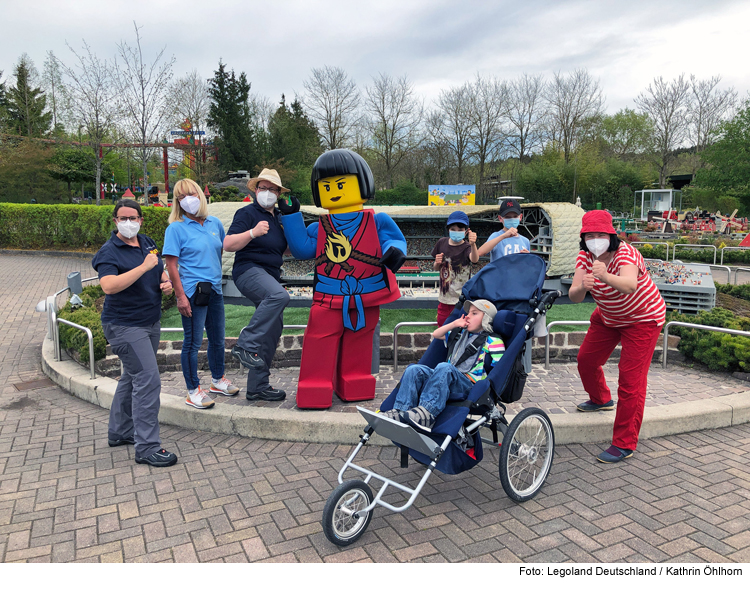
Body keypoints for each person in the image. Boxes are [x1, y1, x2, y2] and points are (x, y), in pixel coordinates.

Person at [282, 149, 407, 409]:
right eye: (326, 186)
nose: (334, 190)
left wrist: (394, 251)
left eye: (341, 184)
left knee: (359, 340)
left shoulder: (377, 220)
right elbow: (303, 248)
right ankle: (314, 386)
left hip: (366, 294)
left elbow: (394, 240)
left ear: (361, 183)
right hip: (329, 296)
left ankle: (355, 381)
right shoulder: (321, 226)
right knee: (320, 340)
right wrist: (292, 217)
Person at [568, 210, 666, 464]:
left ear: (611, 235)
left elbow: (629, 285)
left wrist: (604, 276)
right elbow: (574, 295)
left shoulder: (626, 253)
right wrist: (582, 287)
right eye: (590, 235)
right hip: (610, 317)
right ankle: (601, 399)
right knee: (586, 359)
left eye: (601, 234)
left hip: (643, 320)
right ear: (583, 237)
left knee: (631, 380)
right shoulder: (584, 256)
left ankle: (624, 443)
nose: (595, 239)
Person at [92, 199, 177, 467]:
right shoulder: (109, 252)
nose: (129, 222)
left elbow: (160, 271)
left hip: (149, 322)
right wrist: (143, 267)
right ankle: (147, 447)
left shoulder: (147, 242)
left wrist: (165, 282)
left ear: (141, 220)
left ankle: (119, 432)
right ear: (115, 220)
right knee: (148, 379)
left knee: (131, 377)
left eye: (134, 217)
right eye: (123, 218)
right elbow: (108, 286)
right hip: (124, 326)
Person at [163, 179, 239, 410]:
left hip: (214, 289)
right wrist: (180, 296)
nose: (188, 199)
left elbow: (222, 249)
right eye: (182, 196)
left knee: (218, 338)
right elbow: (172, 265)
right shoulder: (176, 228)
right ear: (177, 202)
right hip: (192, 292)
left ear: (200, 194)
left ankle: (217, 380)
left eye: (192, 193)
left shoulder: (215, 223)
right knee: (193, 341)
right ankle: (193, 390)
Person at [225, 169, 300, 402]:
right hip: (248, 271)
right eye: (262, 188)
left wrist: (292, 224)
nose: (266, 193)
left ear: (279, 194)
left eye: (272, 189)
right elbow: (228, 244)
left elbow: (289, 250)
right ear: (255, 190)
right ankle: (245, 344)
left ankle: (258, 386)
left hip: (270, 275)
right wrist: (252, 233)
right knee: (279, 297)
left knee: (273, 329)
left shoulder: (279, 218)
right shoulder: (246, 213)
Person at [382, 299, 505, 432]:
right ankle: (401, 410)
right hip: (446, 377)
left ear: (486, 319)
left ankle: (427, 413)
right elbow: (437, 334)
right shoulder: (460, 334)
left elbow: (499, 369)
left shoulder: (493, 341)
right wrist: (454, 324)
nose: (468, 316)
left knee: (444, 367)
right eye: (468, 313)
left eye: (474, 313)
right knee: (413, 369)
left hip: (468, 384)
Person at [432, 210, 479, 326]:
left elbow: (474, 259)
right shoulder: (441, 243)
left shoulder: (467, 246)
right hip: (444, 299)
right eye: (453, 229)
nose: (456, 232)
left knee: (460, 332)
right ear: (448, 229)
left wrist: (473, 244)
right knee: (442, 330)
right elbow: (436, 268)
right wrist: (437, 263)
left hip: (462, 301)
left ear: (466, 231)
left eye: (460, 230)